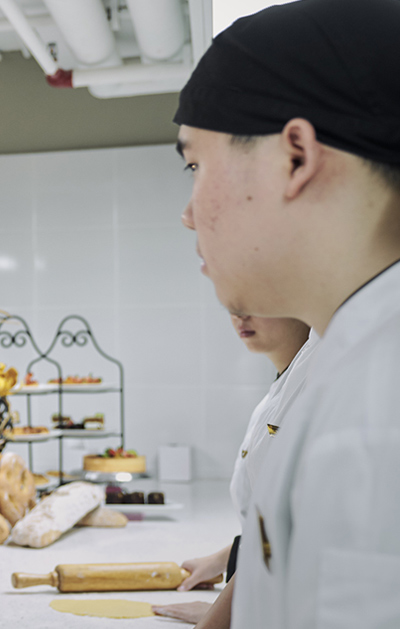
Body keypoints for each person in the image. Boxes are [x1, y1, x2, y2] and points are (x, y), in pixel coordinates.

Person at [172, 0, 400, 626]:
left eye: (196, 165)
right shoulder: (349, 358)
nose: (188, 212)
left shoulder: (376, 413)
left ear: (294, 156)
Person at [154, 315, 314, 626]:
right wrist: (225, 560)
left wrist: (225, 616)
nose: (240, 316)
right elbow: (271, 527)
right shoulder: (275, 397)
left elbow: (295, 531)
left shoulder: (315, 386)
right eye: (232, 306)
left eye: (255, 300)